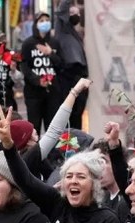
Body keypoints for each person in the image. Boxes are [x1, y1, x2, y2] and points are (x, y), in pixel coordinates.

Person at [21, 12, 64, 132]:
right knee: (34, 129)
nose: (45, 23)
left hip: (53, 93)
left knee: (53, 130)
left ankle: (53, 152)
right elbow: (23, 66)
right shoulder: (28, 44)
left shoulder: (55, 42)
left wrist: (51, 53)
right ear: (36, 24)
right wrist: (37, 80)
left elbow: (61, 65)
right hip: (33, 94)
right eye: (41, 20)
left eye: (47, 20)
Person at [55, 0, 89, 130]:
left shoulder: (76, 34)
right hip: (67, 77)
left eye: (78, 13)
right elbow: (63, 8)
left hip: (79, 77)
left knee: (77, 115)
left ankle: (77, 145)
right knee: (68, 116)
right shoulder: (62, 28)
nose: (76, 15)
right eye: (72, 12)